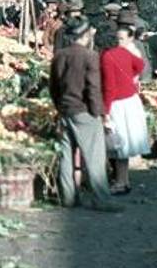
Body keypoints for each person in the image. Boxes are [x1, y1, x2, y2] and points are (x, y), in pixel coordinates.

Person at [49, 18, 123, 213]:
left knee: (66, 156)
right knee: (94, 157)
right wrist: (100, 113)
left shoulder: (59, 55)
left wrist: (59, 107)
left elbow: (53, 87)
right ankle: (101, 199)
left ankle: (68, 197)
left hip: (65, 109)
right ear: (84, 36)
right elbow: (93, 88)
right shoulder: (90, 56)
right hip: (84, 111)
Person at [100, 23, 149, 195]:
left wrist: (105, 111)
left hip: (118, 104)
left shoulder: (107, 57)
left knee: (118, 144)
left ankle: (120, 182)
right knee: (124, 145)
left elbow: (109, 87)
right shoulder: (126, 52)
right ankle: (124, 180)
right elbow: (141, 66)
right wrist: (131, 76)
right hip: (131, 101)